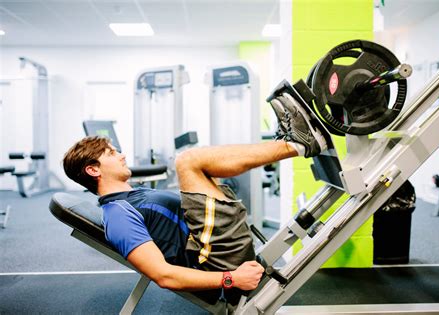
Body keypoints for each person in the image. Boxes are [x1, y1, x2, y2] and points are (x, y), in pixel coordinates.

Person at [62, 93, 327, 293]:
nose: (121, 155)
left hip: (215, 241)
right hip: (214, 258)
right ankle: (296, 144)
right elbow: (163, 275)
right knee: (187, 160)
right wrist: (230, 279)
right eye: (111, 153)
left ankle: (292, 141)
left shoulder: (128, 196)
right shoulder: (118, 216)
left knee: (192, 163)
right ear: (93, 170)